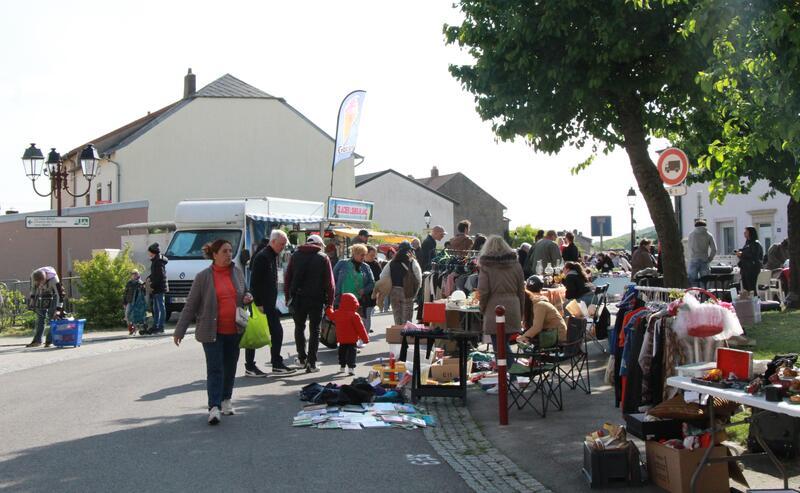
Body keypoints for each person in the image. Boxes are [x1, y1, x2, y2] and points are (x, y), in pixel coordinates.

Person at [173, 239, 252, 425]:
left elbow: (245, 293)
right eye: (224, 251)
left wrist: (248, 297)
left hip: (234, 329)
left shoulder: (237, 272)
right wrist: (180, 330)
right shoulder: (203, 277)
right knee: (215, 368)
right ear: (214, 254)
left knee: (230, 366)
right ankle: (214, 407)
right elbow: (191, 305)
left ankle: (226, 400)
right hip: (211, 331)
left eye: (231, 251)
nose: (229, 255)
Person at [284, 235, 334, 373]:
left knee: (299, 327)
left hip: (298, 298)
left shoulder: (295, 256)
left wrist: (288, 297)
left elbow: (288, 278)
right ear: (318, 244)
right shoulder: (323, 258)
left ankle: (301, 359)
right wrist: (330, 302)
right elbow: (330, 283)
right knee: (315, 330)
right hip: (316, 299)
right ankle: (312, 363)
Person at [249, 229, 294, 375]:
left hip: (270, 302)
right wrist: (259, 303)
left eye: (284, 245)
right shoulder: (263, 257)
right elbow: (255, 282)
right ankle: (256, 365)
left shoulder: (271, 255)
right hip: (263, 304)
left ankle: (276, 363)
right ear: (273, 242)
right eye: (281, 244)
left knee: (271, 333)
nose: (283, 247)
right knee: (256, 334)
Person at [477, 235, 525, 362]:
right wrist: (521, 311)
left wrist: (482, 308)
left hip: (495, 308)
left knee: (500, 347)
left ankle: (512, 375)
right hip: (513, 308)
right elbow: (521, 291)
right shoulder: (516, 265)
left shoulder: (486, 266)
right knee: (503, 345)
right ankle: (507, 375)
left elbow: (483, 291)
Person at [325, 293, 369, 376]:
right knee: (352, 353)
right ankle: (351, 368)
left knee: (342, 352)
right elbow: (361, 329)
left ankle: (342, 366)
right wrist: (365, 339)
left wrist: (328, 308)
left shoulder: (337, 313)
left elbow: (330, 315)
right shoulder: (355, 315)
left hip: (341, 339)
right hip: (352, 339)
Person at [380, 241, 422, 324]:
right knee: (407, 318)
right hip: (408, 291)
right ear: (410, 251)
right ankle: (405, 335)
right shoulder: (412, 262)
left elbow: (383, 276)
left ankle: (397, 333)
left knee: (397, 315)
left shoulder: (391, 262)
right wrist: (416, 291)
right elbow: (418, 277)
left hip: (394, 291)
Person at [518, 275, 567, 344]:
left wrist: (522, 337)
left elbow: (537, 327)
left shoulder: (539, 305)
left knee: (525, 341)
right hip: (549, 332)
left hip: (556, 336)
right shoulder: (535, 303)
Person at [26, 267, 61, 348]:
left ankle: (49, 340)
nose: (40, 285)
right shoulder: (33, 276)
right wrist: (32, 299)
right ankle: (37, 341)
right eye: (38, 283)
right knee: (40, 317)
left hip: (55, 294)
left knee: (53, 317)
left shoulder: (53, 279)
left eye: (42, 282)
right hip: (42, 294)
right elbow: (33, 288)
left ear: (45, 278)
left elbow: (60, 295)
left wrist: (58, 309)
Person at [333, 244, 375, 308]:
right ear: (355, 254)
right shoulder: (342, 263)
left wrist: (364, 290)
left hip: (358, 301)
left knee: (357, 318)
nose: (363, 257)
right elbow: (333, 279)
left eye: (364, 255)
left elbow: (372, 283)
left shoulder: (366, 267)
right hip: (341, 300)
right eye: (362, 255)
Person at [687, 219, 717, 287]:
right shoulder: (709, 235)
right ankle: (704, 297)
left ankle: (694, 296)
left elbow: (689, 247)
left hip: (693, 260)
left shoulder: (691, 235)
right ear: (705, 226)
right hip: (704, 260)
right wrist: (709, 259)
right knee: (705, 282)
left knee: (693, 282)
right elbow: (714, 249)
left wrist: (692, 256)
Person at [147, 242, 168, 334]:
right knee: (155, 308)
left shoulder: (158, 261)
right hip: (156, 287)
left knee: (160, 307)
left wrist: (152, 284)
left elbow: (160, 276)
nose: (149, 253)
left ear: (153, 252)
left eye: (149, 252)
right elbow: (155, 274)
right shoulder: (156, 260)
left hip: (159, 287)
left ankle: (160, 326)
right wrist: (149, 278)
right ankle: (155, 325)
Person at [737, 226, 764, 293]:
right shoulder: (747, 243)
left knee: (752, 288)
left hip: (752, 269)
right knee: (746, 289)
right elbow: (745, 253)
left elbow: (754, 255)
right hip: (745, 268)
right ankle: (748, 302)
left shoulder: (756, 243)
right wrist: (739, 253)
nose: (744, 233)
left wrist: (742, 254)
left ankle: (754, 302)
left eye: (746, 232)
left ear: (750, 233)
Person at [363, 245, 383, 331]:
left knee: (367, 315)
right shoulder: (360, 263)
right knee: (363, 315)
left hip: (371, 294)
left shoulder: (376, 264)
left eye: (374, 255)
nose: (373, 257)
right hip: (360, 293)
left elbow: (380, 279)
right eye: (371, 255)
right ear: (365, 254)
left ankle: (365, 333)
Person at [123, 269, 147, 335]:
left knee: (138, 316)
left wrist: (143, 287)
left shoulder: (140, 283)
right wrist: (124, 302)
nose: (134, 275)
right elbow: (125, 293)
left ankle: (141, 328)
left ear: (138, 275)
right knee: (127, 315)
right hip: (129, 301)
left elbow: (144, 294)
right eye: (133, 274)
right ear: (131, 275)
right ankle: (131, 328)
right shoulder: (129, 283)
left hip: (138, 303)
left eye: (136, 274)